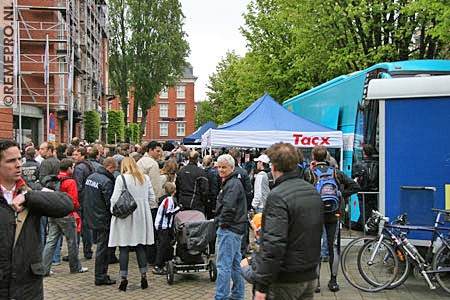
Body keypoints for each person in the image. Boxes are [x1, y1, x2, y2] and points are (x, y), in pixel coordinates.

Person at [240, 142, 323, 300]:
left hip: (285, 280)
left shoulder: (277, 196)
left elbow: (273, 244)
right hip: (309, 274)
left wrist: (261, 287)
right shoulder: (312, 192)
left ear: (274, 166)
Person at [0, 139, 73, 300]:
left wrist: (28, 197)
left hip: (28, 286)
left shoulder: (31, 190)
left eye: (19, 158)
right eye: (11, 161)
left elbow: (66, 204)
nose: (18, 164)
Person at [305, 145, 360, 292]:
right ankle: (333, 281)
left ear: (314, 158)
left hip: (315, 214)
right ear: (327, 157)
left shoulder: (309, 173)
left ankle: (316, 284)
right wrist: (341, 194)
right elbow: (355, 187)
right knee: (333, 247)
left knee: (315, 248)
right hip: (334, 214)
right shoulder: (336, 173)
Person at [108, 157, 156, 291]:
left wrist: (113, 211)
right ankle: (143, 276)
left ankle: (123, 278)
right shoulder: (145, 178)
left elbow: (114, 198)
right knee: (140, 246)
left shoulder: (121, 178)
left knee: (124, 247)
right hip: (141, 215)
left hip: (125, 215)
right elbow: (152, 198)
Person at [42, 158, 88, 276]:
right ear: (69, 168)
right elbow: (74, 201)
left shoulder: (53, 180)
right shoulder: (70, 182)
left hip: (52, 213)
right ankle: (75, 267)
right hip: (66, 214)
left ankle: (44, 268)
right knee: (72, 241)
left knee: (51, 240)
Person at [214, 154, 247, 300]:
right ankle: (238, 294)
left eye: (224, 167)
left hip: (230, 229)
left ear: (231, 168)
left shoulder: (232, 184)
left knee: (224, 266)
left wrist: (222, 224)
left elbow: (228, 207)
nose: (220, 170)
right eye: (219, 167)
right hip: (235, 228)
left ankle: (221, 297)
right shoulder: (232, 182)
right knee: (234, 264)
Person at [83, 157, 119, 286]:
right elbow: (110, 202)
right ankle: (100, 276)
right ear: (110, 167)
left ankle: (101, 274)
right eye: (114, 168)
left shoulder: (91, 177)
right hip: (103, 218)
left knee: (100, 247)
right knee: (102, 249)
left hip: (92, 215)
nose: (115, 171)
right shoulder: (107, 181)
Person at [137, 141, 163, 265]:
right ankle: (151, 257)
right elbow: (155, 186)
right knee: (151, 231)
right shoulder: (152, 164)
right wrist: (157, 202)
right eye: (157, 151)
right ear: (151, 150)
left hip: (140, 201)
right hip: (151, 203)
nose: (160, 153)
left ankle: (142, 254)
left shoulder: (140, 162)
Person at [152, 181, 180, 275]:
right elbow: (168, 212)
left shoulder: (166, 199)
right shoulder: (169, 200)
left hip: (164, 226)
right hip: (163, 226)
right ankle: (157, 265)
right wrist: (178, 209)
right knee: (163, 245)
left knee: (167, 244)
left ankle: (168, 260)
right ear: (174, 191)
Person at [72, 147, 94, 259]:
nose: (73, 157)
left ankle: (74, 252)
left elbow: (77, 186)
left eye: (76, 155)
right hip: (88, 199)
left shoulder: (79, 168)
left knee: (78, 226)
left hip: (80, 201)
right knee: (87, 227)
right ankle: (88, 250)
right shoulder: (89, 165)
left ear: (82, 155)